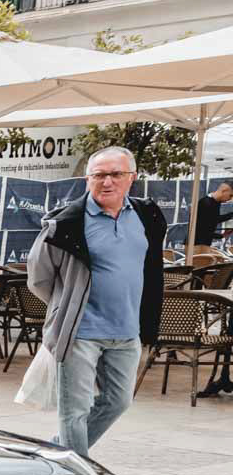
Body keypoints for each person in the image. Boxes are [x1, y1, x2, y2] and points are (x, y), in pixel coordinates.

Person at [27, 145, 166, 457]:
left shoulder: (146, 216)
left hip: (127, 330)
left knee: (118, 401)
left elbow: (150, 267)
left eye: (116, 174)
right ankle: (79, 473)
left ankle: (59, 451)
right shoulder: (66, 223)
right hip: (80, 332)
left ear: (131, 178)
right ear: (87, 179)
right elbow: (39, 277)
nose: (107, 182)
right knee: (73, 411)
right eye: (99, 175)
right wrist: (69, 304)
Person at [193, 180, 233, 250]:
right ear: (224, 190)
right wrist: (220, 235)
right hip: (196, 244)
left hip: (203, 243)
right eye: (231, 195)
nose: (230, 199)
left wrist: (222, 235)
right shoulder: (206, 203)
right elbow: (201, 228)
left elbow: (213, 220)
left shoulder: (216, 202)